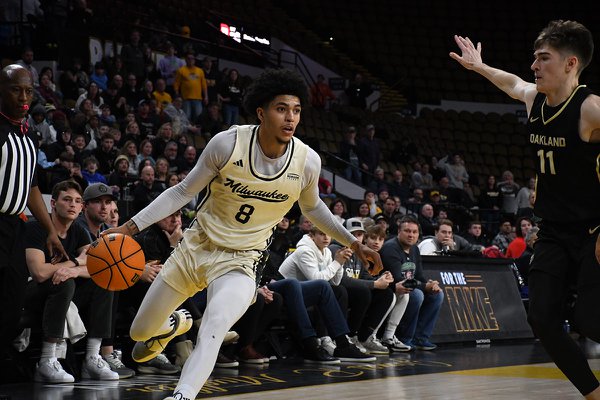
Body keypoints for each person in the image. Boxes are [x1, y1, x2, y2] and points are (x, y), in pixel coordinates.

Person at [103, 69, 382, 400]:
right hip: (196, 248)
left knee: (216, 322)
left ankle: (182, 395)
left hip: (242, 260)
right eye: (281, 108)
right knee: (141, 333)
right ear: (262, 112)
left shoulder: (307, 162)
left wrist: (354, 242)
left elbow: (313, 208)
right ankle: (176, 324)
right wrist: (130, 227)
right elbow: (181, 192)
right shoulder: (228, 143)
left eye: (296, 110)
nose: (290, 117)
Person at [451, 20, 600, 399]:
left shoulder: (591, 110)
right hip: (552, 229)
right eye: (534, 58)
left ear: (571, 64)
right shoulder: (535, 99)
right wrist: (480, 67)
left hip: (592, 231)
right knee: (543, 318)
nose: (534, 66)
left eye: (543, 58)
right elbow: (511, 83)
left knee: (590, 321)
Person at [0, 65, 68, 353]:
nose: (23, 96)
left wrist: (51, 232)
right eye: (16, 89)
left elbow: (32, 189)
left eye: (28, 90)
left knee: (11, 305)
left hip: (16, 226)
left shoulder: (30, 138)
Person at [24, 181, 118, 382]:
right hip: (30, 293)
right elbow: (39, 272)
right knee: (64, 282)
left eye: (77, 201)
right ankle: (46, 361)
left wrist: (74, 272)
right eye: (67, 200)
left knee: (104, 280)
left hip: (63, 292)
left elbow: (97, 268)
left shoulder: (78, 231)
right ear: (53, 203)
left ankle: (93, 358)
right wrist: (73, 263)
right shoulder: (36, 227)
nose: (73, 205)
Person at [380, 215, 444, 351]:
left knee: (437, 294)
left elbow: (419, 275)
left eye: (414, 232)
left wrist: (430, 284)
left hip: (408, 287)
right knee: (416, 295)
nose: (411, 235)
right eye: (407, 231)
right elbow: (399, 279)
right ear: (399, 232)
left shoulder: (414, 249)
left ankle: (420, 338)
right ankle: (404, 338)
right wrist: (424, 286)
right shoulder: (390, 248)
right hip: (391, 289)